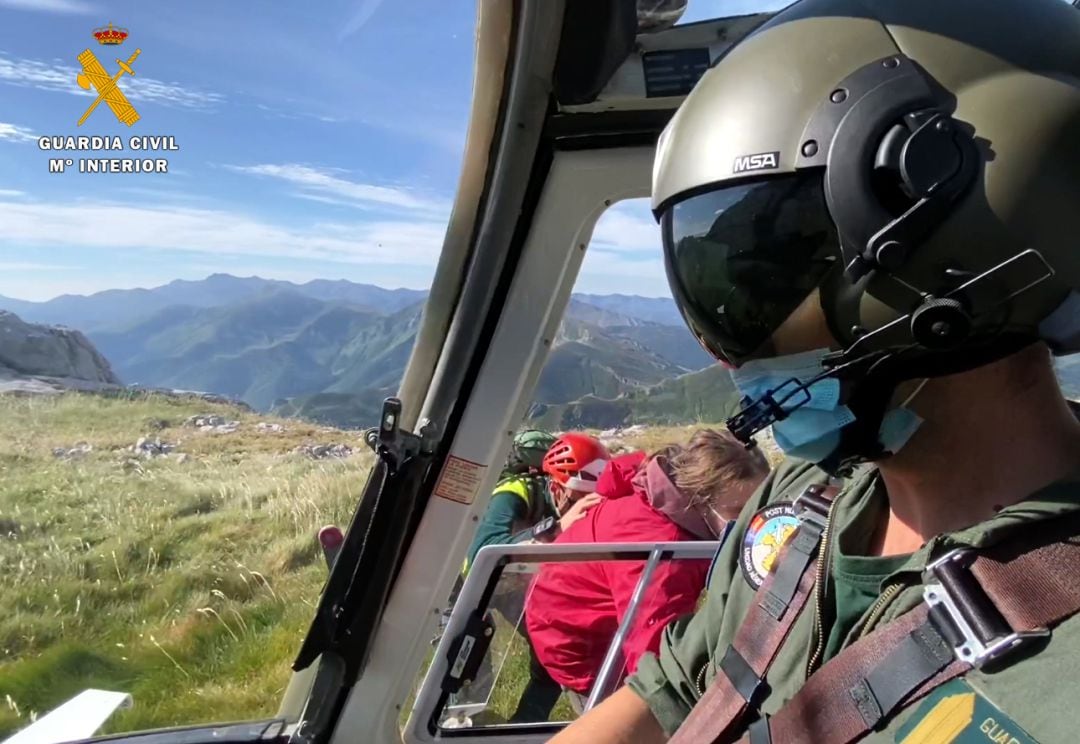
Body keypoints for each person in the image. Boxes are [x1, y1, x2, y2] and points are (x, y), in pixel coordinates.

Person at [552, 1, 1080, 742]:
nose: (718, 350)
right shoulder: (808, 501)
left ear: (957, 241)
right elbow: (669, 693)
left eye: (756, 288)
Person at [525, 429, 769, 714]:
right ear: (702, 500)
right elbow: (651, 665)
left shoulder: (661, 497)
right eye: (739, 512)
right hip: (586, 649)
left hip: (575, 614)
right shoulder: (660, 554)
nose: (749, 523)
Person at [456, 431, 611, 724]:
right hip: (465, 584)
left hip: (515, 582)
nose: (583, 508)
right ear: (555, 487)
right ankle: (458, 726)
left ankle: (523, 726)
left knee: (552, 651)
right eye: (576, 499)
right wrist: (556, 527)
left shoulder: (570, 499)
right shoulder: (513, 493)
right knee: (468, 664)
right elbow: (482, 552)